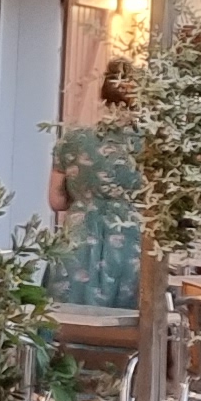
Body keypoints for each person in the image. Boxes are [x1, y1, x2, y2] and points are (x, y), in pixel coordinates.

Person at [45, 58, 142, 310]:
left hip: (78, 240)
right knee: (124, 322)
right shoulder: (152, 146)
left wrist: (85, 195)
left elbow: (56, 201)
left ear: (103, 96)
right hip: (130, 243)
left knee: (66, 317)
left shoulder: (73, 140)